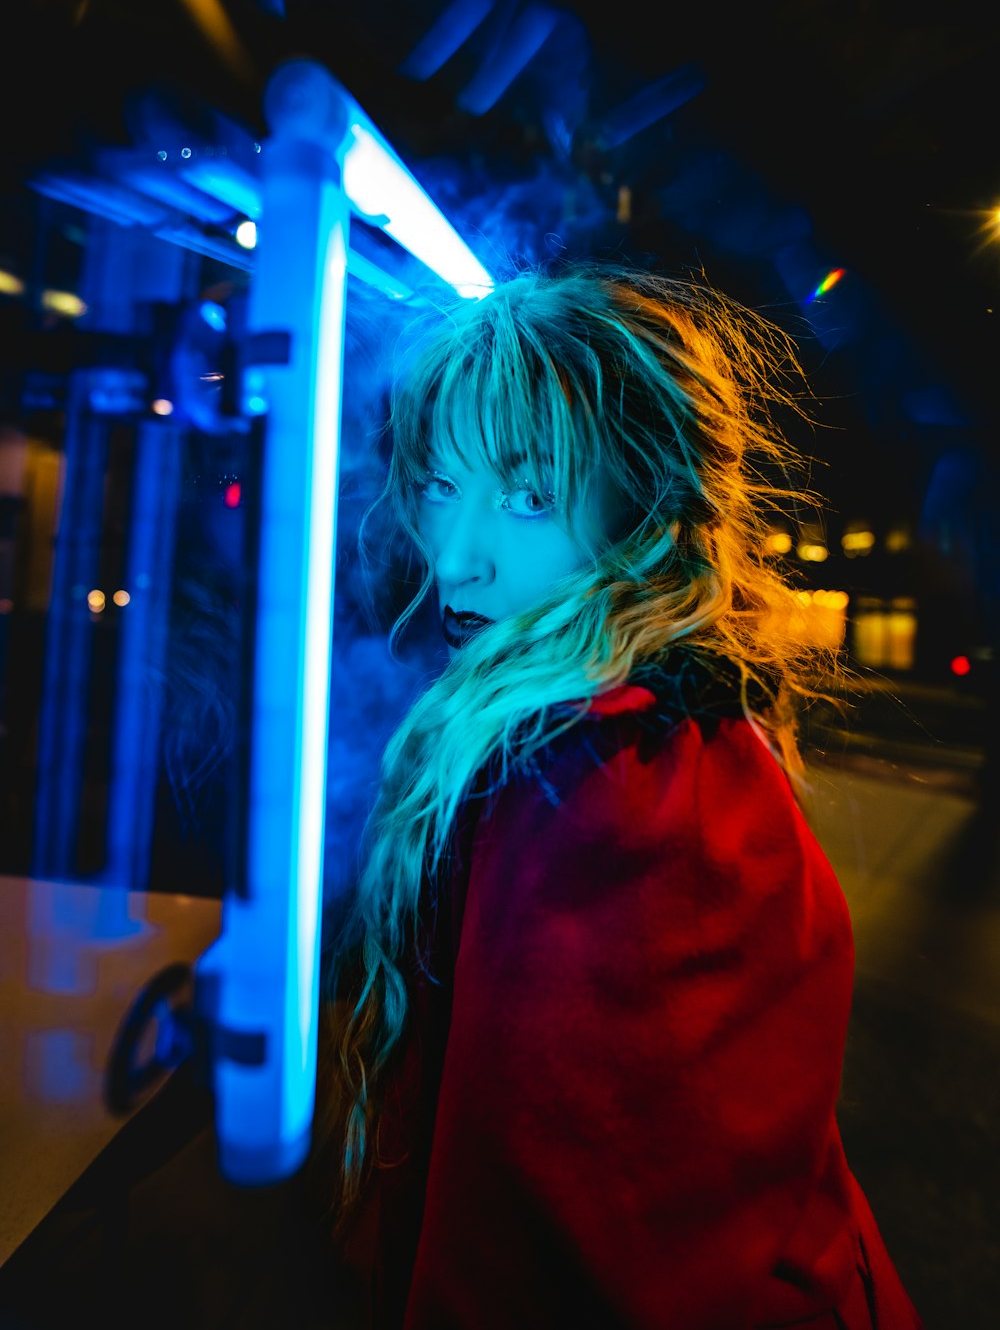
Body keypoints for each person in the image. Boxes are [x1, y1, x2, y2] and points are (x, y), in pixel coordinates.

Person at [313, 261, 925, 1329]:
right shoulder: (646, 729)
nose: (454, 558)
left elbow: (554, 1260)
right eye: (439, 485)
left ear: (639, 511)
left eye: (528, 494)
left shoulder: (612, 799)